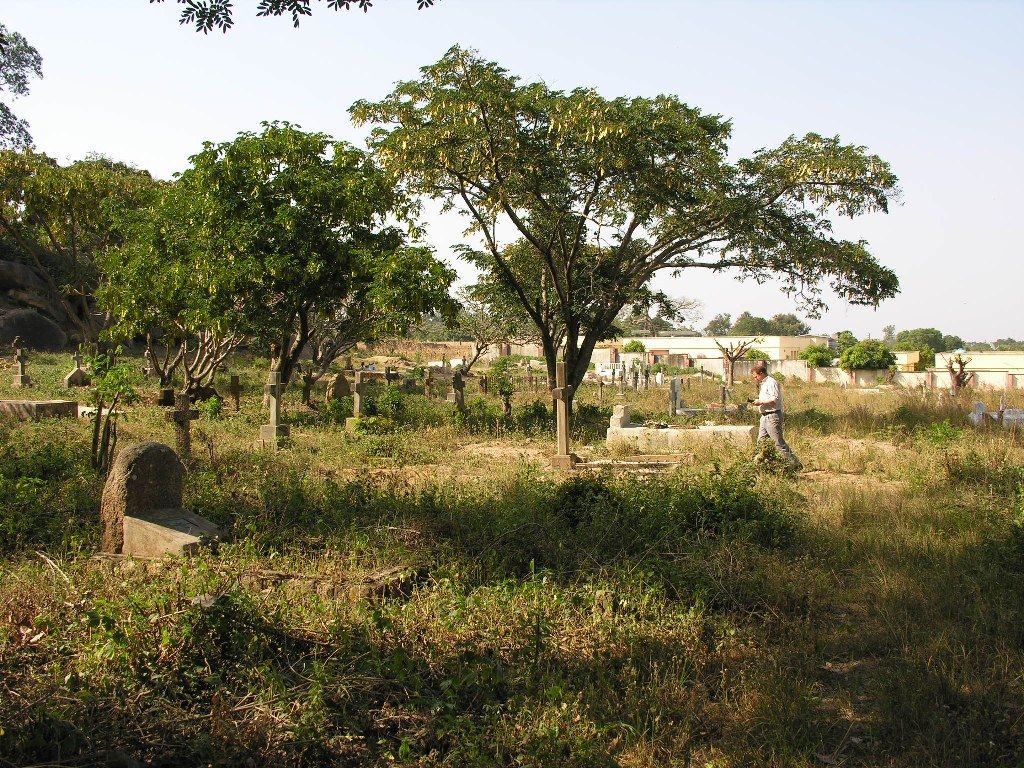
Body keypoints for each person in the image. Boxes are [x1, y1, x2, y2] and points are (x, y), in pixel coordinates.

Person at [750, 362, 802, 470]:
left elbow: (774, 400)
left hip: (772, 416)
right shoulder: (764, 383)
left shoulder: (771, 382)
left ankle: (795, 464)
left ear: (761, 373)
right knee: (761, 443)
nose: (755, 379)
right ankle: (759, 466)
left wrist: (761, 402)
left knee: (778, 443)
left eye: (756, 376)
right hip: (764, 417)